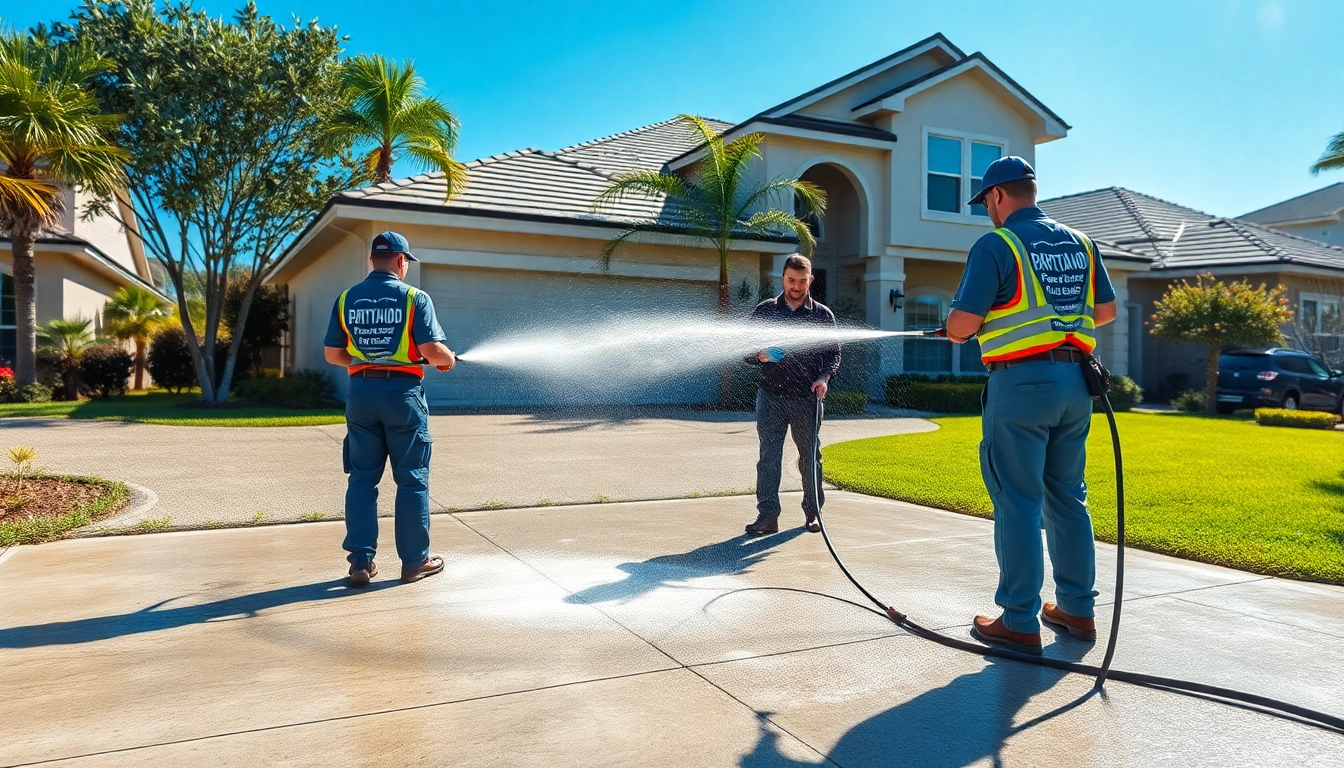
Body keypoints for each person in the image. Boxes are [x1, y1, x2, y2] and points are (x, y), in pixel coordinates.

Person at [943, 157, 1118, 654]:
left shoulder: (999, 244)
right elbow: (1104, 311)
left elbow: (961, 324)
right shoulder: (1082, 243)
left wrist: (964, 327)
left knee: (1018, 501)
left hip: (1020, 385)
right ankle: (1077, 611)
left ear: (998, 196)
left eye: (986, 204)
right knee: (1068, 497)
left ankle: (1020, 619)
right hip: (1076, 384)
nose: (987, 214)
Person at [324, 231, 459, 587]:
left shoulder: (346, 299)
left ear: (372, 260)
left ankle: (360, 564)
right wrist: (447, 359)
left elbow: (333, 355)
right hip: (402, 395)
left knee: (363, 479)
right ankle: (415, 562)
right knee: (412, 479)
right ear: (402, 261)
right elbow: (432, 350)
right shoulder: (415, 297)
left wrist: (367, 359)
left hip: (361, 392)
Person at [743, 254, 841, 536]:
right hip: (770, 396)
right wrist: (760, 355)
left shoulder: (822, 315)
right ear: (783, 279)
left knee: (810, 458)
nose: (796, 287)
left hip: (807, 399)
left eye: (801, 281)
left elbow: (832, 352)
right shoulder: (765, 311)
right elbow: (745, 350)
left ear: (810, 279)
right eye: (790, 280)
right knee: (768, 457)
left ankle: (813, 513)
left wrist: (823, 378)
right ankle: (768, 516)